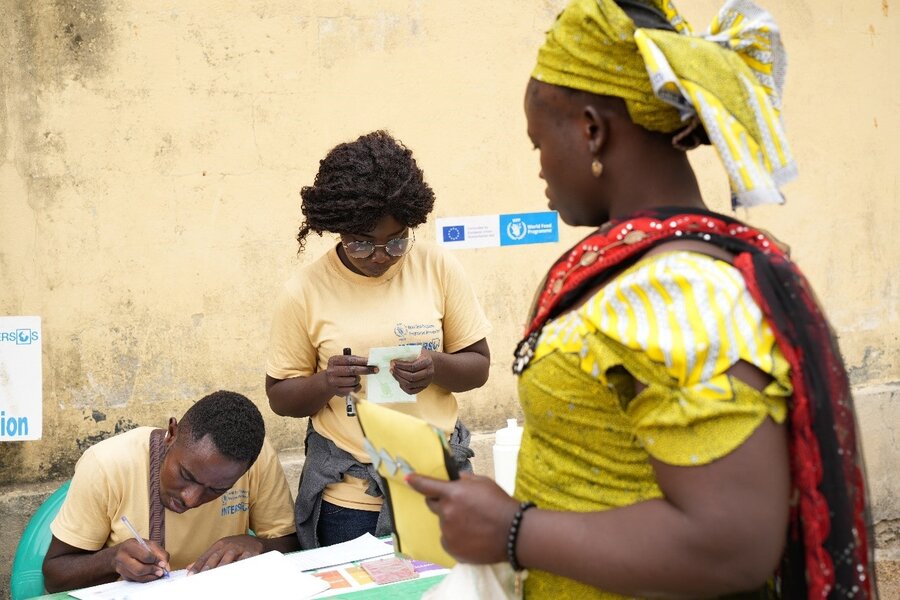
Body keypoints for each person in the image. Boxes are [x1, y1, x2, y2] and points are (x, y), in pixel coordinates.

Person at [407, 1, 876, 599]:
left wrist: (514, 531)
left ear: (591, 129)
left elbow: (730, 543)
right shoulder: (643, 270)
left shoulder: (683, 290)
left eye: (537, 143)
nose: (541, 169)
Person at [265, 130, 492, 548]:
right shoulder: (304, 291)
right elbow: (280, 397)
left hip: (438, 483)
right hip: (351, 500)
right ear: (337, 230)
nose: (382, 255)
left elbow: (477, 365)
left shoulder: (437, 266)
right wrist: (324, 384)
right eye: (361, 244)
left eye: (397, 240)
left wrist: (436, 366)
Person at [42, 390, 299, 593]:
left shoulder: (256, 458)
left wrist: (257, 545)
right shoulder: (107, 464)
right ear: (172, 434)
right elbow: (54, 575)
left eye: (217, 489)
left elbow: (290, 544)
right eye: (186, 475)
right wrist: (111, 560)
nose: (191, 499)